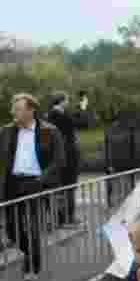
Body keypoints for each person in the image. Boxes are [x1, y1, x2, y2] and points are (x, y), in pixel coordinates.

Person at [0, 93, 66, 281]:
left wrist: (42, 178)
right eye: (14, 108)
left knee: (33, 226)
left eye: (18, 109)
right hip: (12, 183)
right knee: (12, 230)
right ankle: (30, 254)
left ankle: (32, 267)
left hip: (36, 183)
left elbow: (59, 160)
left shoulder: (49, 131)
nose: (14, 112)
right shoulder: (6, 131)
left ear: (30, 110)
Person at [47, 91, 92, 227]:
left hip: (59, 156)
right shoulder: (59, 116)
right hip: (67, 156)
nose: (68, 103)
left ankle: (62, 218)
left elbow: (73, 118)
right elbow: (82, 123)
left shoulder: (52, 115)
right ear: (61, 101)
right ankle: (66, 219)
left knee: (62, 188)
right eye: (66, 100)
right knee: (69, 187)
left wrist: (80, 108)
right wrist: (83, 108)